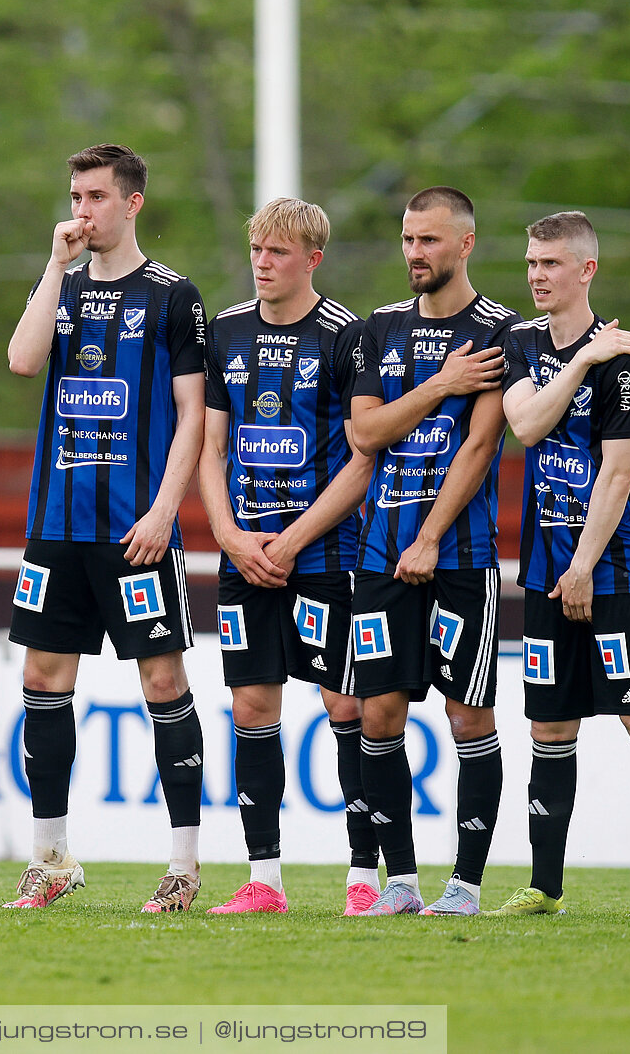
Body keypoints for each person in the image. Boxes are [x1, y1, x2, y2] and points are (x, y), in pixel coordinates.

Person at [3, 143, 209, 913]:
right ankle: (51, 856)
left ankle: (183, 866)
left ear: (132, 203)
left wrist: (164, 510)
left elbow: (193, 416)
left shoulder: (172, 296)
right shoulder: (59, 286)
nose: (80, 210)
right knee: (42, 679)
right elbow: (24, 361)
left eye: (94, 196)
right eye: (74, 195)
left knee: (162, 681)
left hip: (137, 529)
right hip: (58, 523)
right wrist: (54, 267)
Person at [491, 211, 630, 918]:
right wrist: (579, 361)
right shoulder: (519, 342)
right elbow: (526, 424)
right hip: (544, 569)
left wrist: (583, 566)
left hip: (615, 570)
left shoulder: (625, 362)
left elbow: (617, 474)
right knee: (549, 727)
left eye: (550, 264)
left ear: (586, 271)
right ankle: (545, 886)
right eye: (532, 262)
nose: (536, 275)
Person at [197, 197, 377, 915]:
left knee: (347, 704)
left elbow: (363, 459)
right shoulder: (228, 331)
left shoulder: (346, 336)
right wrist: (232, 537)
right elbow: (209, 446)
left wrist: (293, 540)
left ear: (313, 259)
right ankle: (264, 880)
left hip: (326, 555)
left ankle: (365, 876)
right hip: (245, 557)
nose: (263, 263)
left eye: (278, 252)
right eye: (257, 250)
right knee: (250, 706)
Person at [345, 187, 520, 916]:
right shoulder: (377, 328)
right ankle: (403, 882)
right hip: (380, 554)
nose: (415, 253)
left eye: (430, 241)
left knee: (466, 717)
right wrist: (442, 383)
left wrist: (430, 536)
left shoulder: (501, 331)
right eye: (409, 239)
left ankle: (466, 885)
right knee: (377, 713)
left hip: (459, 558)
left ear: (466, 244)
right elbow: (366, 433)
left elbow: (479, 445)